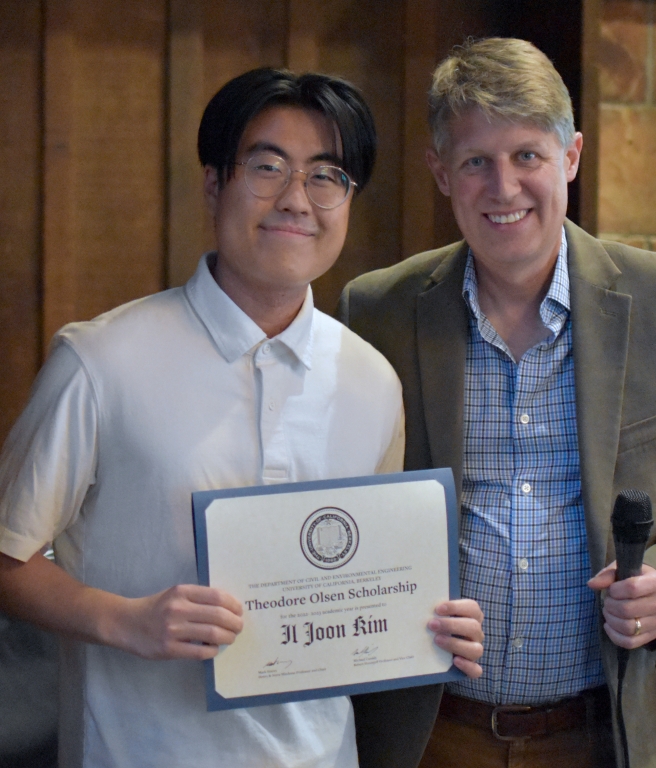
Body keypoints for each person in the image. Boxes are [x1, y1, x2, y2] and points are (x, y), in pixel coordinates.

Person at [0, 68, 484, 768]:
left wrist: (428, 624)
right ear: (212, 185)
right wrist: (126, 621)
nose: (296, 200)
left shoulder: (372, 381)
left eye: (327, 177)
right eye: (266, 167)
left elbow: (359, 578)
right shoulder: (101, 360)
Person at [338, 37, 656, 768]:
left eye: (527, 156)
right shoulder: (378, 310)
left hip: (616, 730)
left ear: (571, 156)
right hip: (430, 733)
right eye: (476, 162)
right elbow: (341, 495)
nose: (503, 187)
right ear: (442, 173)